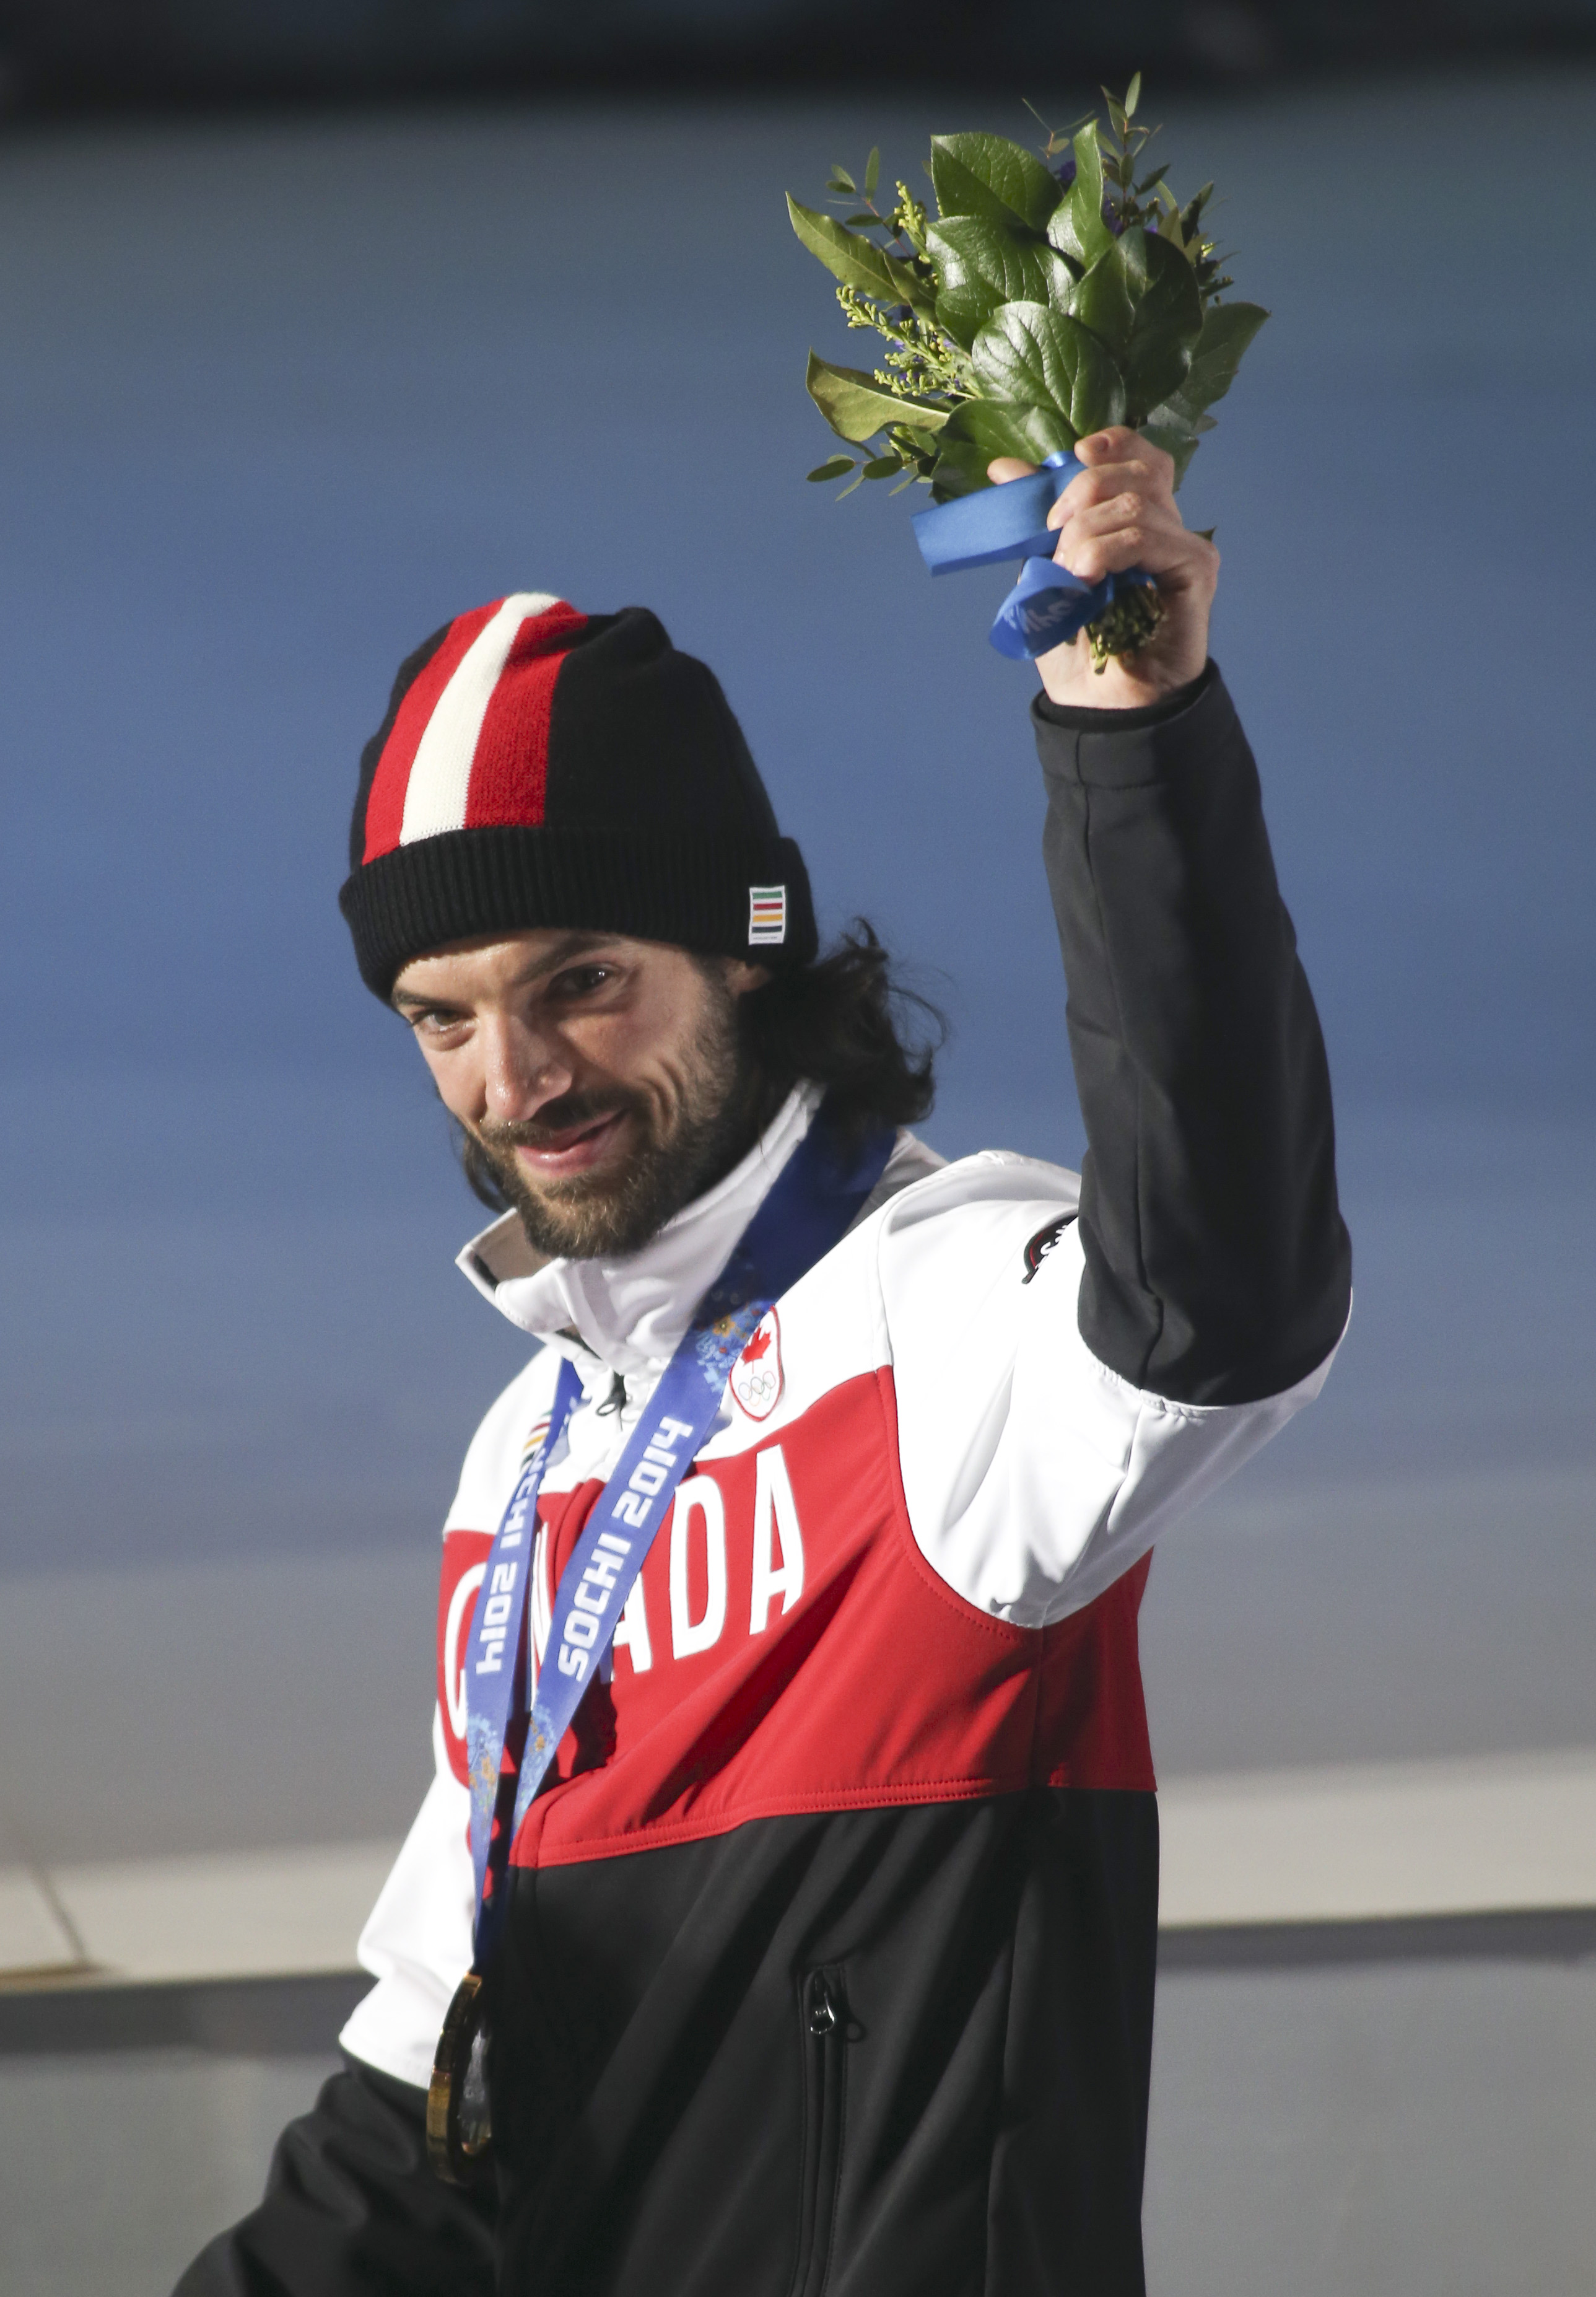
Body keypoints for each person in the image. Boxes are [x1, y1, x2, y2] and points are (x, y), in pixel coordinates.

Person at [177, 432, 1350, 2296]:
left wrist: (1128, 737)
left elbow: (1219, 1293)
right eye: (440, 1018)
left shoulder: (941, 1319)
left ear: (746, 944)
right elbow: (428, 2121)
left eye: (579, 981)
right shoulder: (528, 1457)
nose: (513, 1083)